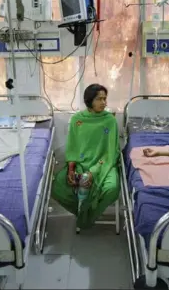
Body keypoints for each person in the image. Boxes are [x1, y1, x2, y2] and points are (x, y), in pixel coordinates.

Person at [51, 84, 120, 230]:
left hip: (104, 164)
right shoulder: (78, 120)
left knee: (112, 188)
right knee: (57, 186)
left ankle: (87, 216)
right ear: (89, 100)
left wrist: (92, 172)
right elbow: (73, 147)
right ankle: (82, 211)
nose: (103, 103)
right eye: (99, 99)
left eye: (105, 99)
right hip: (81, 162)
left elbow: (110, 151)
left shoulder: (110, 120)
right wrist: (71, 169)